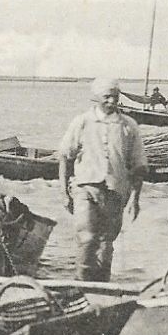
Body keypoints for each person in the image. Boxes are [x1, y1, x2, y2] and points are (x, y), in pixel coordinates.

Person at [59, 78, 147, 281]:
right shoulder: (82, 122)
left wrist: (135, 199)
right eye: (106, 97)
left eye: (115, 97)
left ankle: (102, 286)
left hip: (116, 191)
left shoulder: (128, 126)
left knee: (107, 242)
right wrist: (64, 193)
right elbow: (65, 156)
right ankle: (82, 283)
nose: (111, 101)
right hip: (85, 188)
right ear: (96, 98)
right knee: (87, 237)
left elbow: (139, 166)